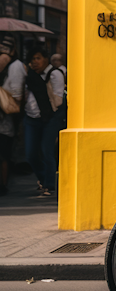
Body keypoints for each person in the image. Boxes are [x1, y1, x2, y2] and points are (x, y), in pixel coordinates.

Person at [23, 45, 65, 196]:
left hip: (51, 118)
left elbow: (58, 99)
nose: (35, 62)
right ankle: (43, 178)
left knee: (46, 151)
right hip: (31, 117)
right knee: (31, 154)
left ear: (46, 59)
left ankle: (49, 185)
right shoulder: (30, 75)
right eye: (32, 59)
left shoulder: (55, 74)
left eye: (38, 58)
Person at [0, 35, 26, 196]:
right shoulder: (15, 65)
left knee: (3, 153)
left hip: (5, 115)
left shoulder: (12, 66)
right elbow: (17, 95)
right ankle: (3, 185)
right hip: (6, 115)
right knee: (4, 153)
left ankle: (3, 185)